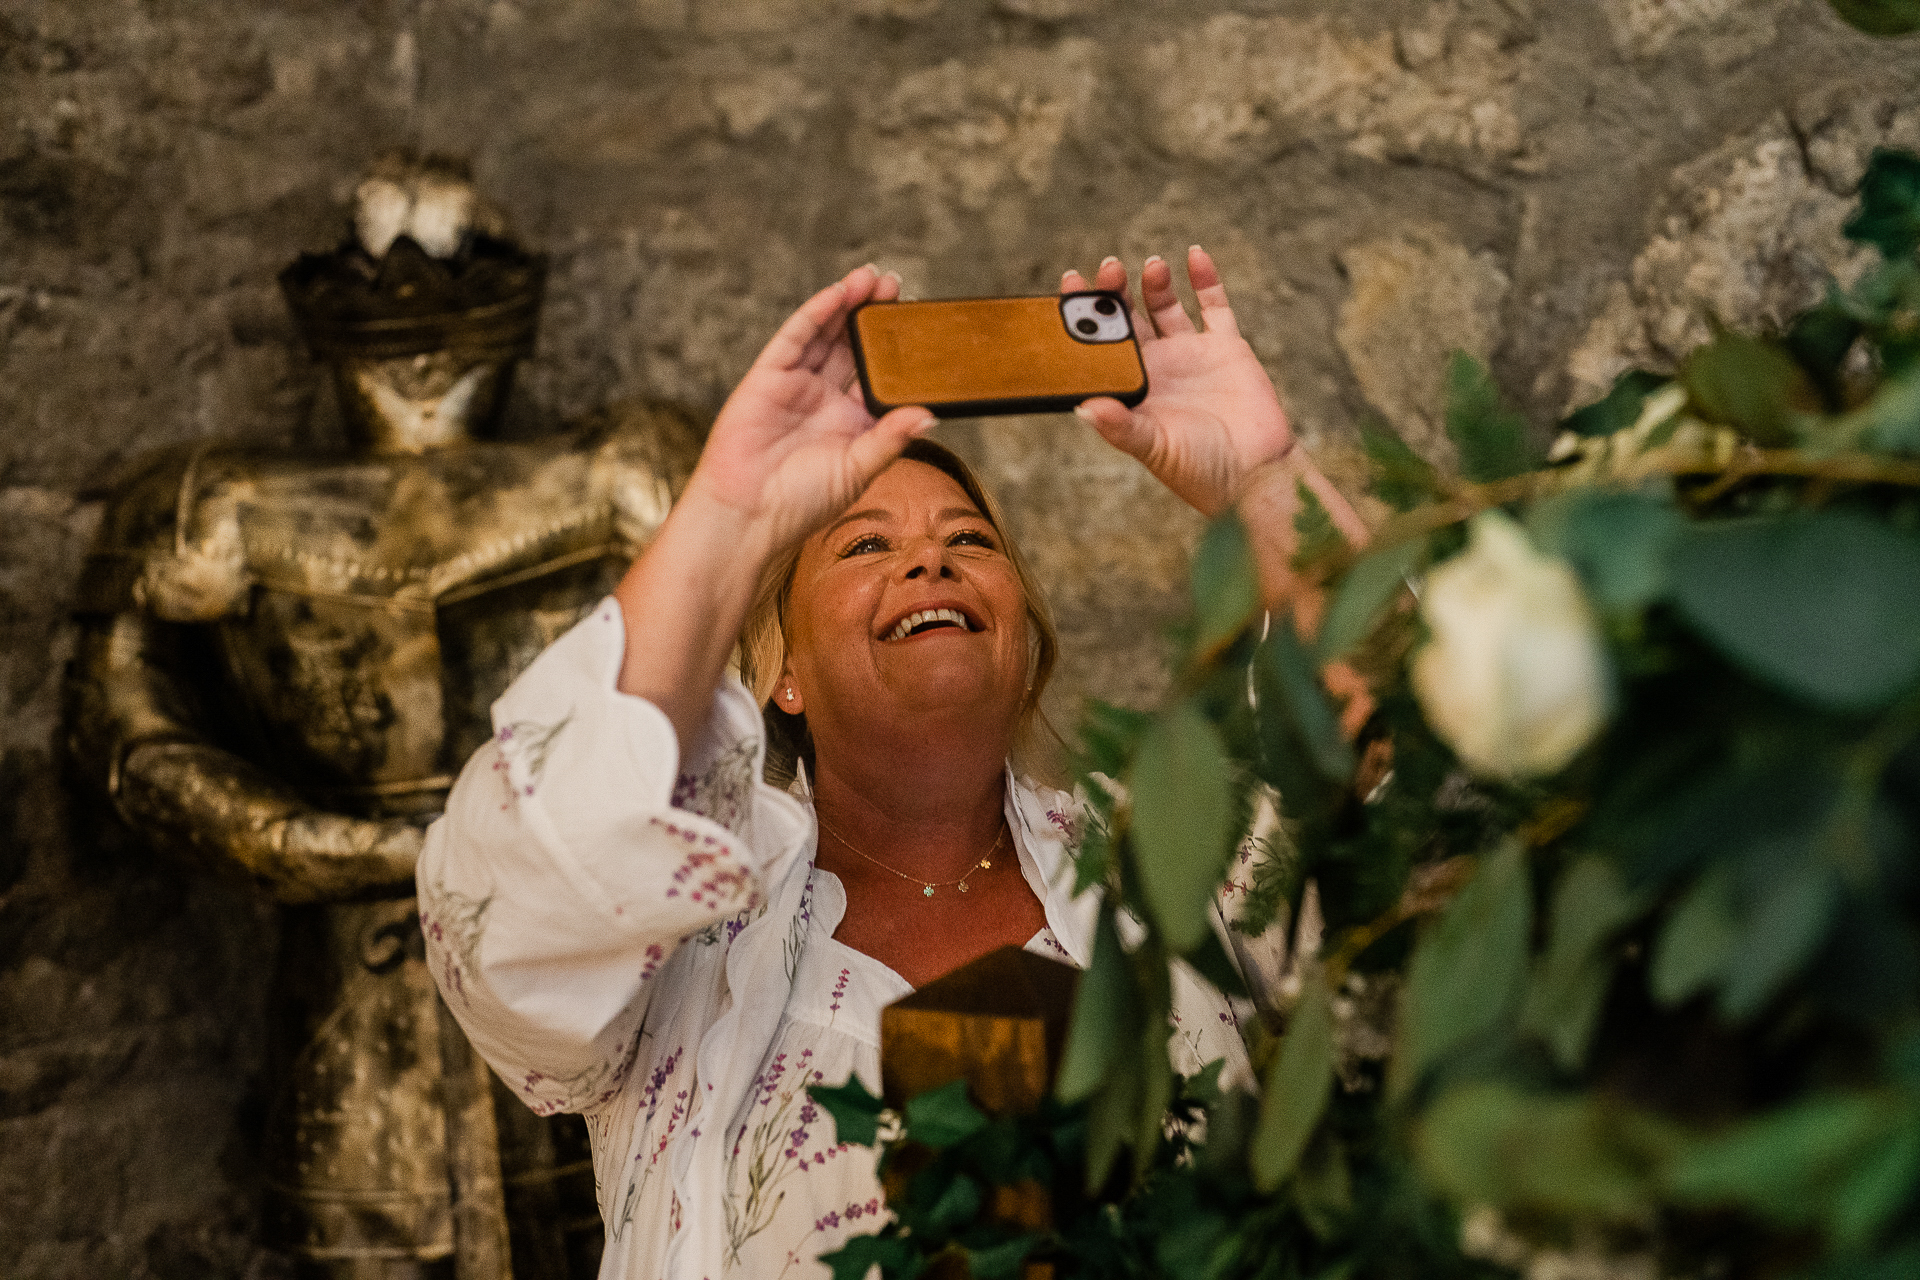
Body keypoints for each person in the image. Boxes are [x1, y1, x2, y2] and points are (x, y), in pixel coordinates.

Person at [418, 248, 1369, 1279]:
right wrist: (732, 513)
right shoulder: (685, 939)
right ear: (780, 671)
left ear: (1025, 644)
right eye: (863, 545)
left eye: (969, 538)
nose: (930, 559)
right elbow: (517, 904)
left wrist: (1265, 479)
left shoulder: (1177, 862)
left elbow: (1406, 803)